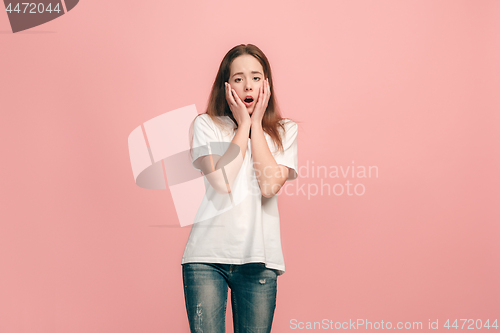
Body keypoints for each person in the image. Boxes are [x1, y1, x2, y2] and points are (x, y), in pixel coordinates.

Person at [181, 43, 299, 333]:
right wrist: (243, 125)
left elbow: (270, 185)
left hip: (259, 259)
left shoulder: (285, 131)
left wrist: (256, 124)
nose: (248, 85)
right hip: (206, 260)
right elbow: (222, 181)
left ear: (267, 84)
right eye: (238, 78)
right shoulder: (206, 125)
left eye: (256, 77)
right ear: (226, 85)